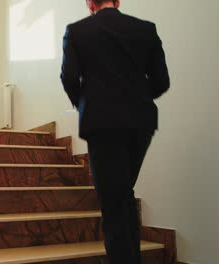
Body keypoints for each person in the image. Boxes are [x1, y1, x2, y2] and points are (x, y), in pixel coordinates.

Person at [60, 0, 170, 263]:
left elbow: (69, 77)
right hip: (140, 123)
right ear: (118, 1)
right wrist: (137, 99)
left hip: (101, 123)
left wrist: (86, 104)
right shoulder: (146, 29)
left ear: (89, 3)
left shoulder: (77, 31)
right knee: (123, 194)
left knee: (112, 200)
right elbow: (162, 81)